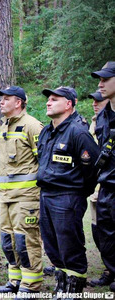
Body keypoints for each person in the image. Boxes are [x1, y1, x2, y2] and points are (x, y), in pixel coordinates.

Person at [37, 86, 99, 296]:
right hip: (46, 195)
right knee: (52, 244)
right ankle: (62, 284)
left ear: (69, 104)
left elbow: (92, 167)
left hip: (67, 196)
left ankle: (74, 288)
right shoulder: (47, 131)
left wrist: (79, 191)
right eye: (48, 99)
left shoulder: (78, 131)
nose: (48, 102)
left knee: (69, 243)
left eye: (54, 99)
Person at [0, 86, 44, 296]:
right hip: (6, 197)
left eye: (6, 99)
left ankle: (31, 284)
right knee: (8, 241)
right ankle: (15, 280)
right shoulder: (5, 126)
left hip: (26, 197)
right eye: (1, 99)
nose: (1, 102)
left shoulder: (32, 126)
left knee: (26, 241)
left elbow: (44, 161)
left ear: (19, 102)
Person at [91, 62, 115, 292]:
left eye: (106, 79)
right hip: (107, 185)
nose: (100, 84)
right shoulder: (103, 116)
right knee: (105, 234)